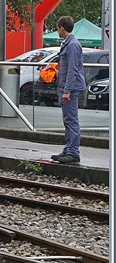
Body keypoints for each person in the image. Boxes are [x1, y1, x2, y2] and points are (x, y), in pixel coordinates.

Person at [51, 16, 85, 164]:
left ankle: (73, 151)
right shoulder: (70, 44)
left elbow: (72, 70)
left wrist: (67, 91)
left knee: (71, 120)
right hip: (67, 86)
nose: (58, 30)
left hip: (70, 88)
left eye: (58, 28)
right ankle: (68, 148)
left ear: (61, 28)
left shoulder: (72, 45)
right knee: (68, 120)